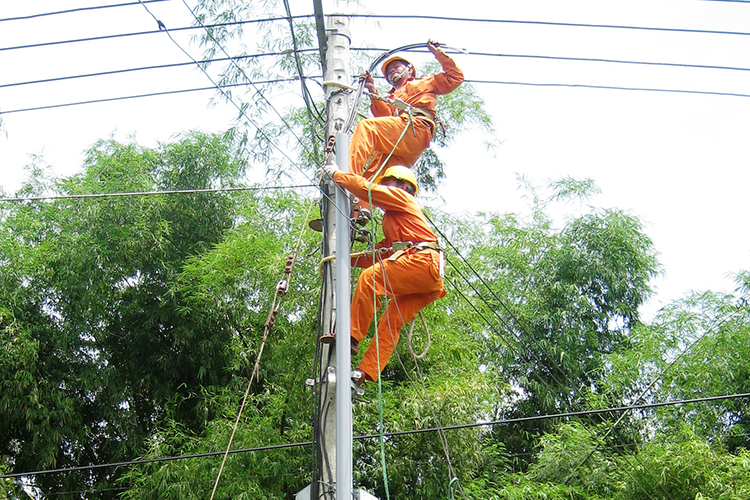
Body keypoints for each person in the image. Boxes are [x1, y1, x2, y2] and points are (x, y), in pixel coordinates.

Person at [319, 164, 446, 386]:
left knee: (370, 279)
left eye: (387, 182)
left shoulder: (402, 198)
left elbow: (368, 191)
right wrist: (344, 258)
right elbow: (382, 253)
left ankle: (350, 337)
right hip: (428, 277)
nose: (383, 186)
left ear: (403, 186)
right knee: (391, 321)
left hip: (422, 261)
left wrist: (337, 175)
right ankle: (364, 373)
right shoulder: (393, 219)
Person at [350, 40, 464, 182]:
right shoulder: (391, 98)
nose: (392, 71)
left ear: (409, 70)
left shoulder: (424, 82)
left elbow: (456, 78)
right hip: (400, 139)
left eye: (396, 67)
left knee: (366, 128)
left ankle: (349, 178)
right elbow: (384, 116)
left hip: (416, 127)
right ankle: (359, 201)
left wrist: (438, 53)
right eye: (389, 72)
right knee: (375, 178)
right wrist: (372, 89)